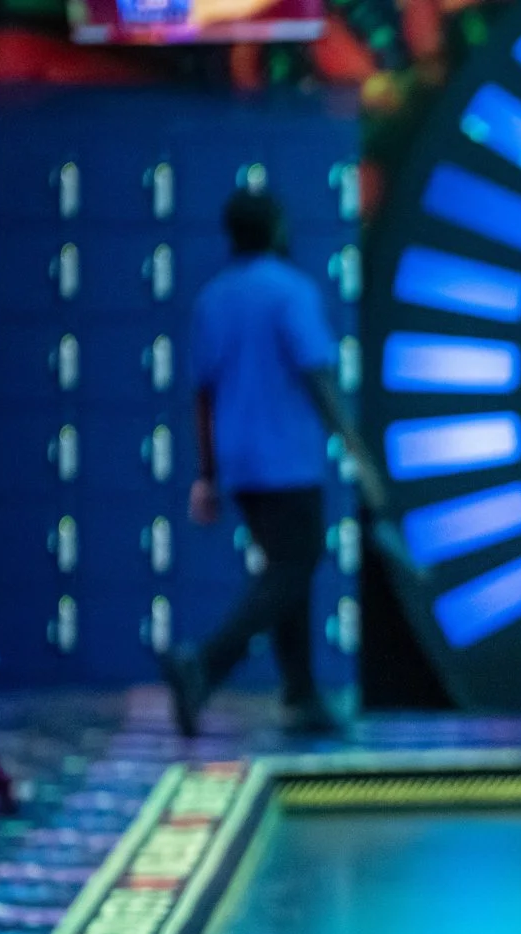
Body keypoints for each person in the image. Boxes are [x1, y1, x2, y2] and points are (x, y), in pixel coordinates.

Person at [165, 187, 385, 738]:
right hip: (287, 457)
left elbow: (203, 394)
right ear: (278, 229)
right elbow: (319, 377)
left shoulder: (214, 297)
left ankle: (300, 694)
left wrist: (209, 475)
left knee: (288, 569)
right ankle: (206, 662)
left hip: (239, 461)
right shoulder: (292, 292)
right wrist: (356, 451)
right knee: (295, 564)